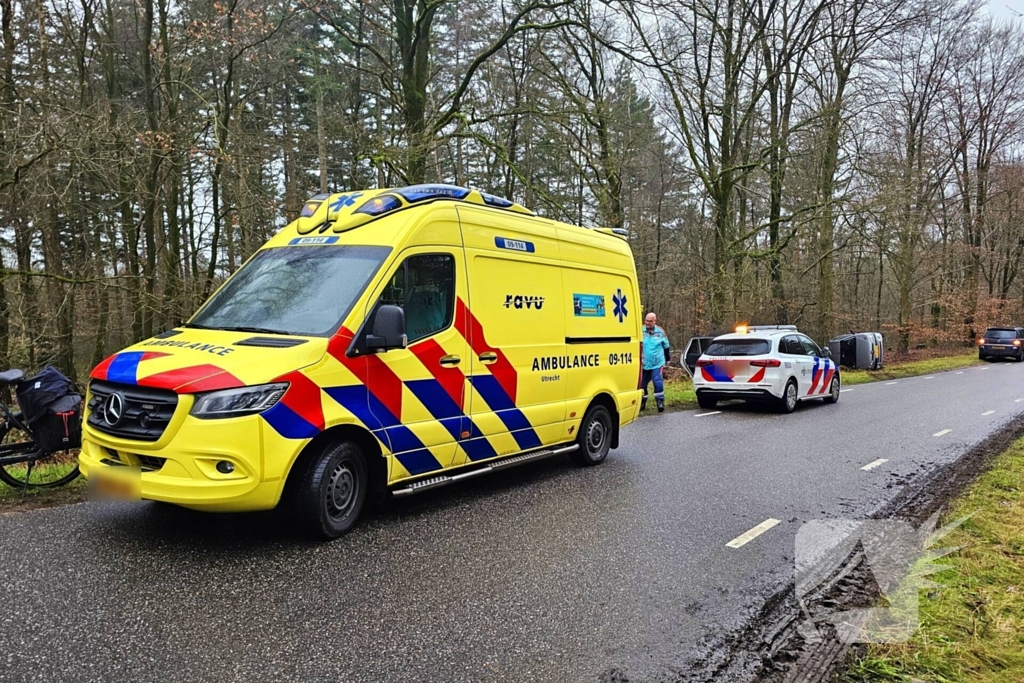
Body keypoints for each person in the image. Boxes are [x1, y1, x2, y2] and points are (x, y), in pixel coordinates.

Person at [641, 312, 670, 412]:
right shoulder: (641, 331)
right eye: (646, 320)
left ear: (654, 321)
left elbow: (666, 346)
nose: (647, 323)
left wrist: (668, 359)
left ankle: (660, 402)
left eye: (650, 321)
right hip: (644, 363)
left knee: (657, 382)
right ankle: (643, 401)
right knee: (642, 384)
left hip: (657, 363)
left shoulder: (660, 331)